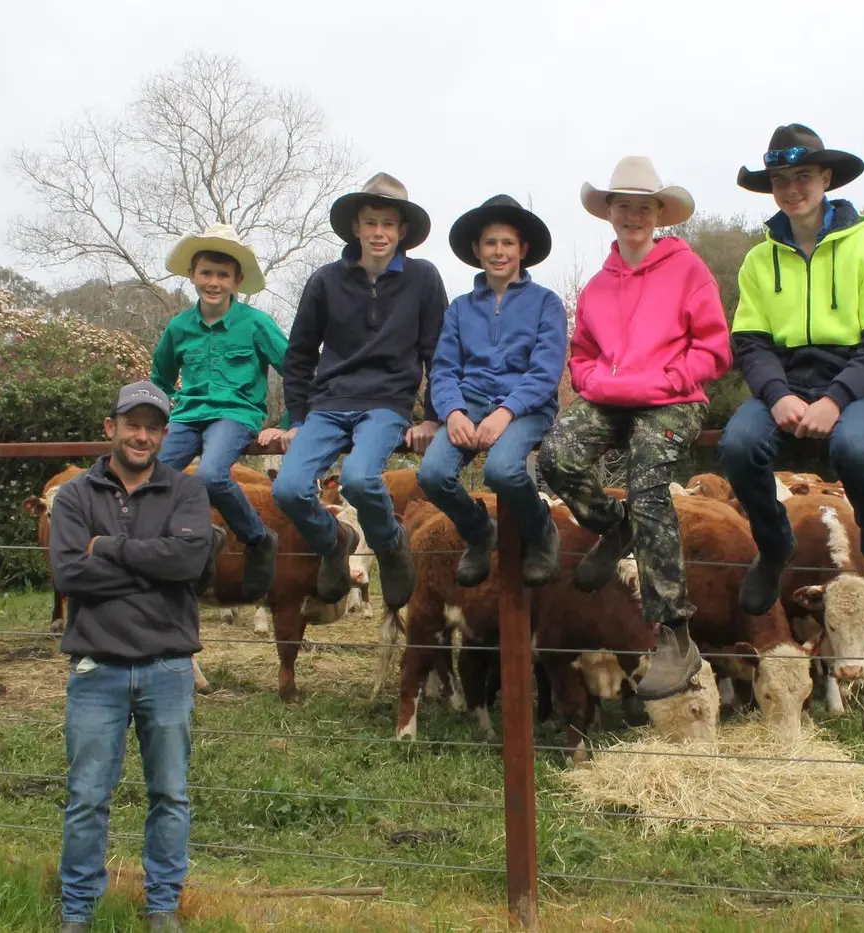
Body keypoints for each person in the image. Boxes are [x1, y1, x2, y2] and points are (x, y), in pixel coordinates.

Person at [537, 155, 731, 700]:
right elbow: (582, 355)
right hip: (612, 399)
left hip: (673, 397)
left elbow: (715, 347)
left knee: (649, 480)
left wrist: (671, 376)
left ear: (659, 213)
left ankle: (673, 632)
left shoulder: (688, 269)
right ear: (609, 213)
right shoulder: (598, 286)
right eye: (622, 206)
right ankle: (610, 521)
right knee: (556, 455)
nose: (633, 216)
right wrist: (597, 382)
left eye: (643, 207)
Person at [718, 124, 864, 624]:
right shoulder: (760, 260)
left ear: (826, 178)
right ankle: (774, 541)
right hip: (783, 380)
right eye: (781, 179)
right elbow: (751, 342)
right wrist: (777, 394)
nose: (793, 188)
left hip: (854, 379)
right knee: (738, 444)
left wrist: (836, 399)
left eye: (804, 175)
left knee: (855, 448)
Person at [50, 381, 213, 933]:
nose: (142, 435)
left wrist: (109, 548)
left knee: (169, 793)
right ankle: (77, 910)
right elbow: (70, 574)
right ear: (110, 427)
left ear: (165, 434)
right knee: (87, 797)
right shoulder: (74, 496)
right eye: (132, 424)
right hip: (97, 666)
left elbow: (189, 562)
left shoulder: (186, 492)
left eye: (153, 426)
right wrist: (153, 566)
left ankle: (162, 906)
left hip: (168, 666)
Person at [270, 173, 447, 610]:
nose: (380, 232)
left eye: (388, 223)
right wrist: (296, 418)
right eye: (371, 223)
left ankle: (390, 544)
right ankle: (336, 541)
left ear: (402, 230)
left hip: (386, 403)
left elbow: (438, 353)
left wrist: (433, 416)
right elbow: (300, 354)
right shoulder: (325, 281)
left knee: (358, 479)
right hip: (328, 405)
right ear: (356, 227)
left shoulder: (423, 279)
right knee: (288, 488)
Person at [417, 195, 567, 586]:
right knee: (432, 475)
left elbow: (546, 370)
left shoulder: (546, 303)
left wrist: (507, 412)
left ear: (523, 250)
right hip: (469, 403)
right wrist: (451, 411)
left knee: (502, 470)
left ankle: (541, 532)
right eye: (490, 243)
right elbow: (445, 368)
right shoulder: (460, 309)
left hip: (527, 407)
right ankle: (480, 532)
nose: (498, 252)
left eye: (507, 243)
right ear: (476, 250)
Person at [151, 222, 290, 603]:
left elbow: (297, 370)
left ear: (237, 279)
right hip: (187, 415)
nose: (214, 282)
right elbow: (160, 379)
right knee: (152, 477)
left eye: (223, 275)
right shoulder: (179, 327)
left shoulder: (255, 323)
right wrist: (151, 423)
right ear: (193, 275)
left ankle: (258, 538)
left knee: (212, 474)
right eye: (206, 273)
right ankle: (200, 535)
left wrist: (290, 423)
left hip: (235, 413)